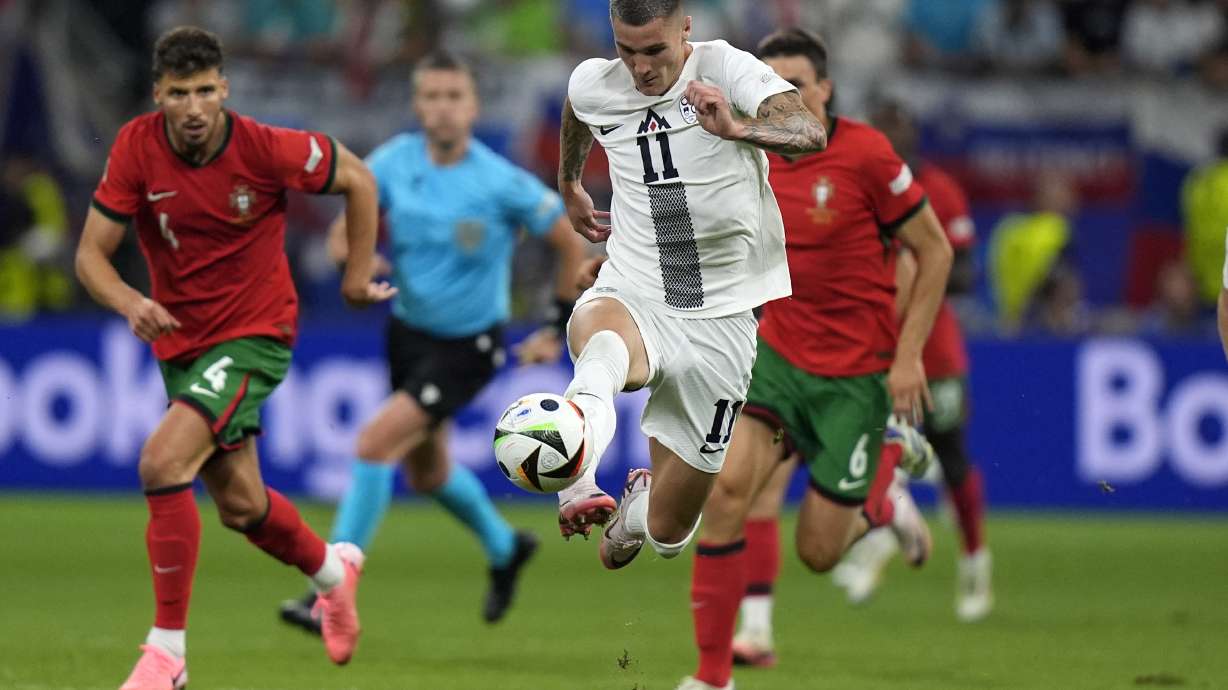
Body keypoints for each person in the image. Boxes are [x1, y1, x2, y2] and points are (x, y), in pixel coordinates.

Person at [74, 27, 393, 689]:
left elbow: (359, 179)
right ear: (159, 94)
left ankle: (167, 654)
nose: (192, 107)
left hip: (255, 335)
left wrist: (356, 277)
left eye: (203, 92)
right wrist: (131, 303)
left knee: (161, 462)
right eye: (177, 94)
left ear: (224, 90)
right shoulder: (137, 146)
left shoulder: (263, 147)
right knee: (243, 507)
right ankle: (335, 577)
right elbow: (89, 257)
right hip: (182, 347)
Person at [507, 0, 826, 580]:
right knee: (600, 347)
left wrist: (736, 127)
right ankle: (576, 480)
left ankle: (635, 514)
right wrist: (570, 180)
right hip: (639, 284)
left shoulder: (726, 68)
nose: (641, 68)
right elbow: (578, 109)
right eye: (627, 51)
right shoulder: (596, 82)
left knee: (670, 532)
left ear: (686, 30)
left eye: (654, 50)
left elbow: (810, 130)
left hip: (724, 316)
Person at [277, 49, 586, 633]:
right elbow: (345, 234)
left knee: (372, 445)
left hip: (469, 346)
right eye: (432, 97)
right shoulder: (392, 162)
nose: (442, 109)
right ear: (418, 104)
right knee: (427, 472)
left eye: (454, 97)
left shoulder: (499, 181)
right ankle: (504, 546)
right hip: (408, 334)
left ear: (472, 106)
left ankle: (331, 594)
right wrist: (359, 264)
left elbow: (570, 240)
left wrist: (554, 324)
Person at [682, 28, 953, 690]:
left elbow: (935, 249)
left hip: (854, 379)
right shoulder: (750, 152)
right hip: (774, 358)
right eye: (768, 87)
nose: (782, 99)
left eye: (795, 86)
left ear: (825, 90)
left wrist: (908, 356)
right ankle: (713, 677)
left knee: (817, 554)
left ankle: (884, 476)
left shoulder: (866, 155)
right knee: (725, 495)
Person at [828, 99, 993, 622]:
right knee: (867, 446)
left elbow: (963, 271)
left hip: (932, 351)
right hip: (869, 347)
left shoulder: (937, 192)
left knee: (950, 454)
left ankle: (974, 562)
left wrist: (913, 260)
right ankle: (881, 535)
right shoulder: (857, 189)